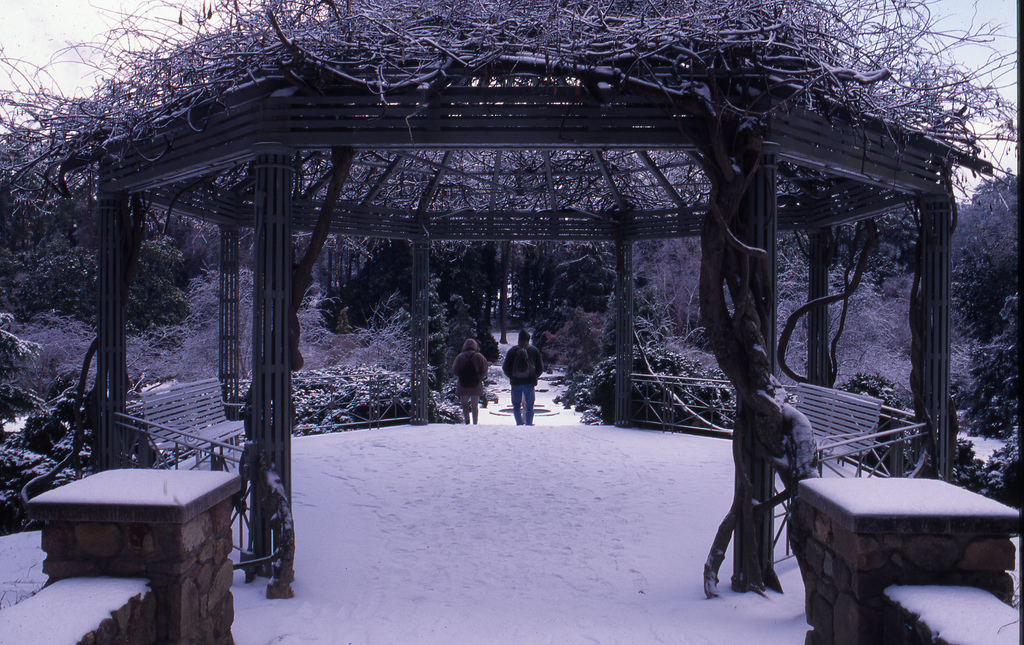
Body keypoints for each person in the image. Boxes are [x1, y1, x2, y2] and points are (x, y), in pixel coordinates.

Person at [502, 330, 544, 426]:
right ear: (528, 339)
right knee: (529, 406)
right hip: (529, 382)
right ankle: (528, 425)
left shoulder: (512, 351)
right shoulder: (534, 350)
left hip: (516, 382)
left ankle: (519, 424)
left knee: (516, 406)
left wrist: (512, 377)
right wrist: (534, 376)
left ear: (519, 339)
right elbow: (540, 367)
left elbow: (505, 367)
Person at [451, 338, 489, 424]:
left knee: (464, 405)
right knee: (475, 406)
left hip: (463, 384)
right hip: (476, 384)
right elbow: (485, 370)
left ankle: (467, 421)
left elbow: (454, 370)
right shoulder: (479, 357)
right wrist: (479, 376)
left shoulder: (460, 357)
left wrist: (461, 375)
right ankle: (475, 422)